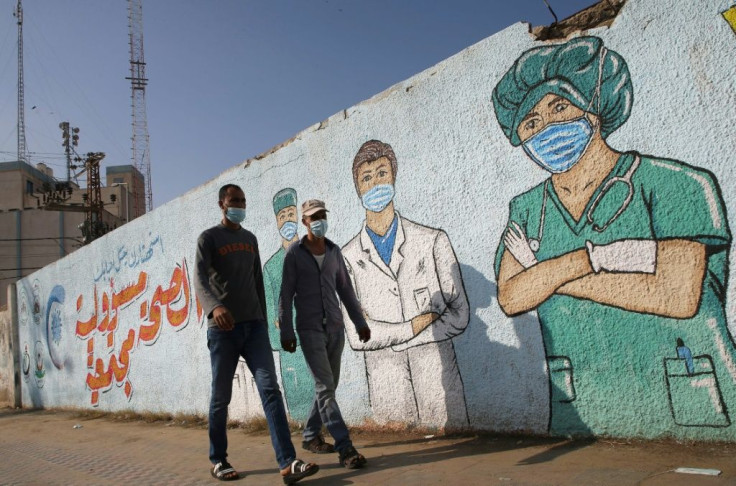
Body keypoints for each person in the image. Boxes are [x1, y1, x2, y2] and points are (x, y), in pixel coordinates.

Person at [492, 36, 736, 438]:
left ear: (595, 108)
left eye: (559, 107)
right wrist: (590, 259)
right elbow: (512, 296)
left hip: (690, 392)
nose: (548, 127)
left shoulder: (678, 184)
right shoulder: (527, 209)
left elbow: (676, 294)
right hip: (577, 408)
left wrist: (545, 275)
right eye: (531, 122)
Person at [194, 184, 319, 483]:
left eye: (242, 200)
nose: (239, 205)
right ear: (222, 205)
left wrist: (265, 319)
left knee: (270, 391)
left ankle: (287, 462)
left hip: (254, 328)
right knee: (220, 398)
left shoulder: (250, 239)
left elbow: (257, 282)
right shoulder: (209, 238)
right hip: (223, 330)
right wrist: (214, 308)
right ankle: (218, 459)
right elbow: (198, 278)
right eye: (233, 200)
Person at [341, 140, 470, 428]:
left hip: (437, 377)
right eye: (367, 178)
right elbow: (357, 334)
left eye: (382, 174)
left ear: (394, 177)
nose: (375, 184)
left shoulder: (433, 240)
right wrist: (416, 325)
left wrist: (397, 335)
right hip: (387, 383)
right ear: (358, 188)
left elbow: (460, 314)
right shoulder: (346, 259)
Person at [278, 199, 371, 468]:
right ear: (305, 222)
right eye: (313, 217)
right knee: (325, 389)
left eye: (322, 215)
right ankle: (346, 448)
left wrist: (359, 322)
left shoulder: (333, 252)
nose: (318, 220)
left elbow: (345, 289)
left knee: (328, 387)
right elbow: (285, 294)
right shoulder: (294, 254)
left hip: (335, 328)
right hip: (309, 330)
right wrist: (286, 328)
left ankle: (310, 435)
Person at [262, 188, 313, 422]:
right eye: (282, 216)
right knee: (299, 406)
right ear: (276, 221)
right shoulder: (271, 268)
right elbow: (270, 312)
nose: (287, 220)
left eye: (290, 214)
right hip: (290, 350)